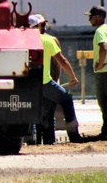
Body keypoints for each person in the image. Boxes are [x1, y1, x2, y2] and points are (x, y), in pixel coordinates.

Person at [29, 13, 83, 144]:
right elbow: (62, 61)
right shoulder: (47, 41)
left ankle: (35, 141)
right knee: (67, 100)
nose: (44, 28)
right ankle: (73, 134)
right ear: (35, 27)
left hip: (29, 85)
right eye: (42, 25)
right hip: (45, 83)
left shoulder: (22, 41)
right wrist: (73, 77)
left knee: (42, 112)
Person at [87, 4, 107, 141]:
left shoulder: (100, 31)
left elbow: (103, 47)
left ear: (98, 17)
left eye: (91, 17)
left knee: (104, 103)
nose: (89, 20)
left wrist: (99, 64)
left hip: (104, 70)